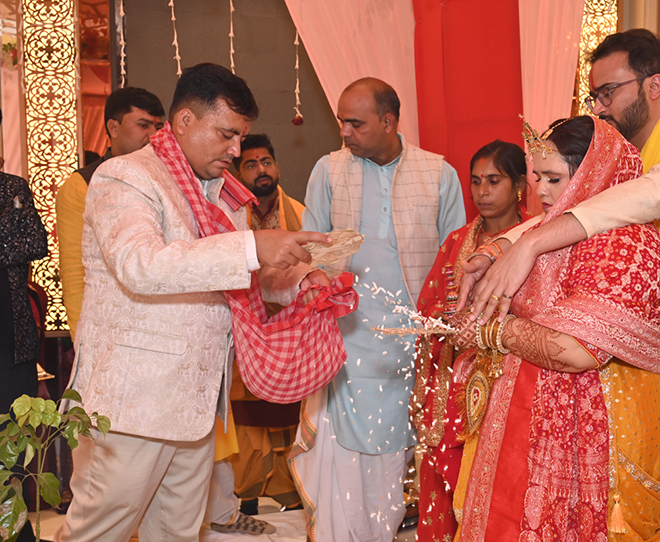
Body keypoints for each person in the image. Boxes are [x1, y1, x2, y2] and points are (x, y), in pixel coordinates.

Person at [460, 29, 660, 542]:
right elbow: (572, 201)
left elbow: (648, 196)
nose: (599, 105)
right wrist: (499, 246)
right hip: (614, 340)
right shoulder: (612, 157)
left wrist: (524, 247)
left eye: (608, 92)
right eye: (594, 95)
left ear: (654, 85)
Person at [55, 63, 340, 542]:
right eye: (228, 134)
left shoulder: (221, 196)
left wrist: (298, 281)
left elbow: (232, 278)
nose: (236, 150)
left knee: (178, 534)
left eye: (241, 137)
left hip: (195, 403)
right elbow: (140, 264)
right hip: (131, 406)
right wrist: (253, 247)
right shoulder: (124, 176)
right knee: (98, 533)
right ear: (184, 121)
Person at [452, 116, 660, 541]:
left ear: (594, 174)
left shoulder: (630, 244)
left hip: (595, 440)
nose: (542, 191)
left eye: (554, 178)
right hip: (519, 423)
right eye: (537, 177)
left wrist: (489, 331)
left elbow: (576, 351)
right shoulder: (545, 229)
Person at [291, 77, 466, 541]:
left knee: (399, 449)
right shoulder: (328, 171)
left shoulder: (438, 173)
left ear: (389, 122)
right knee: (347, 451)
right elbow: (311, 253)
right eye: (341, 122)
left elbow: (457, 258)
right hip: (347, 337)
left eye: (356, 123)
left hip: (415, 342)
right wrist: (315, 286)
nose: (344, 132)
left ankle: (382, 531)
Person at [411, 140, 533, 540]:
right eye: (476, 181)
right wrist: (447, 321)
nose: (481, 192)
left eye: (493, 181)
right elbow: (426, 308)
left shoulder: (537, 242)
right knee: (446, 488)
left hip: (511, 386)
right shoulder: (456, 244)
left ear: (518, 185)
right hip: (455, 388)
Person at [230, 133, 307, 510]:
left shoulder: (300, 212)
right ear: (236, 171)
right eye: (250, 164)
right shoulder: (228, 215)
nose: (262, 170)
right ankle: (244, 497)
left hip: (288, 329)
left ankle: (290, 490)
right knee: (246, 414)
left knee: (288, 409)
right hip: (244, 329)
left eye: (266, 162)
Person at [56, 86, 165, 338]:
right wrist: (81, 337)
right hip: (109, 324)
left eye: (158, 128)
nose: (153, 136)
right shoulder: (81, 184)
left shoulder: (167, 178)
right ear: (113, 128)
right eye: (143, 125)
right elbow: (74, 271)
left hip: (161, 322)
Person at [1, 172, 48, 542]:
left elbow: (35, 240)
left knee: (12, 452)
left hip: (12, 345)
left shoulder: (11, 187)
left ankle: (15, 533)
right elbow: (16, 242)